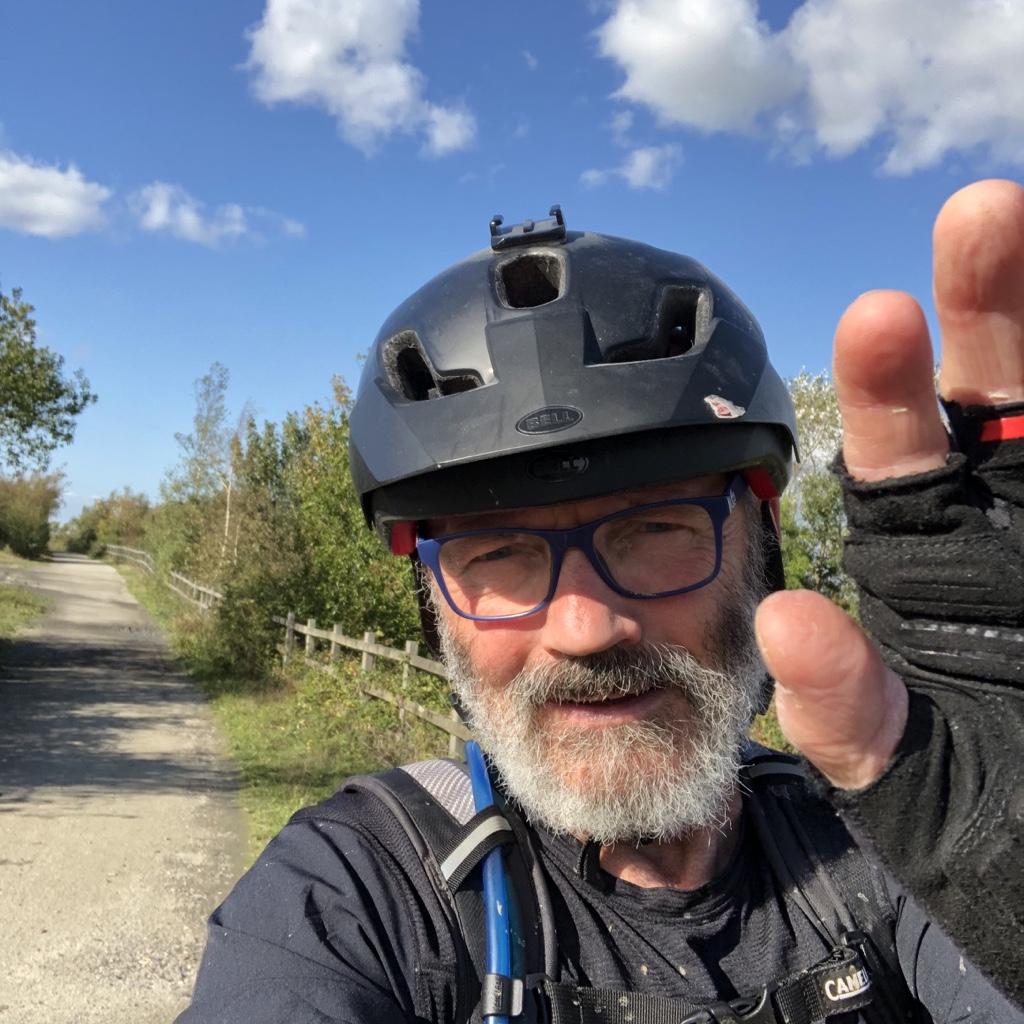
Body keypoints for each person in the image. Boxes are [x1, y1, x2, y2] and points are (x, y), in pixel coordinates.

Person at [177, 182, 1023, 1024]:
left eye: (655, 528)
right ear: (432, 603)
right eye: (498, 554)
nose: (584, 629)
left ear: (761, 551)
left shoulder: (898, 836)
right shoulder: (352, 896)